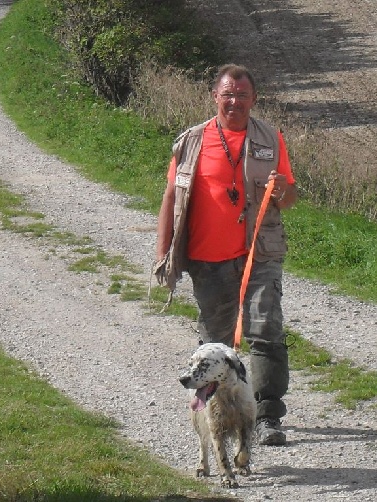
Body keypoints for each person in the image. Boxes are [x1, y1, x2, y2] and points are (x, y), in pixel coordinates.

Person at [155, 64, 297, 446]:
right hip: (208, 259)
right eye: (227, 94)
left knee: (265, 329)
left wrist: (283, 189)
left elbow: (290, 198)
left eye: (242, 95)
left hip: (260, 254)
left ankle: (268, 416)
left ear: (254, 99)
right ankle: (217, 415)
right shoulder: (191, 142)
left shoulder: (271, 138)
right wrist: (164, 252)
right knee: (215, 342)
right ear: (215, 96)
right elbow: (171, 197)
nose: (234, 101)